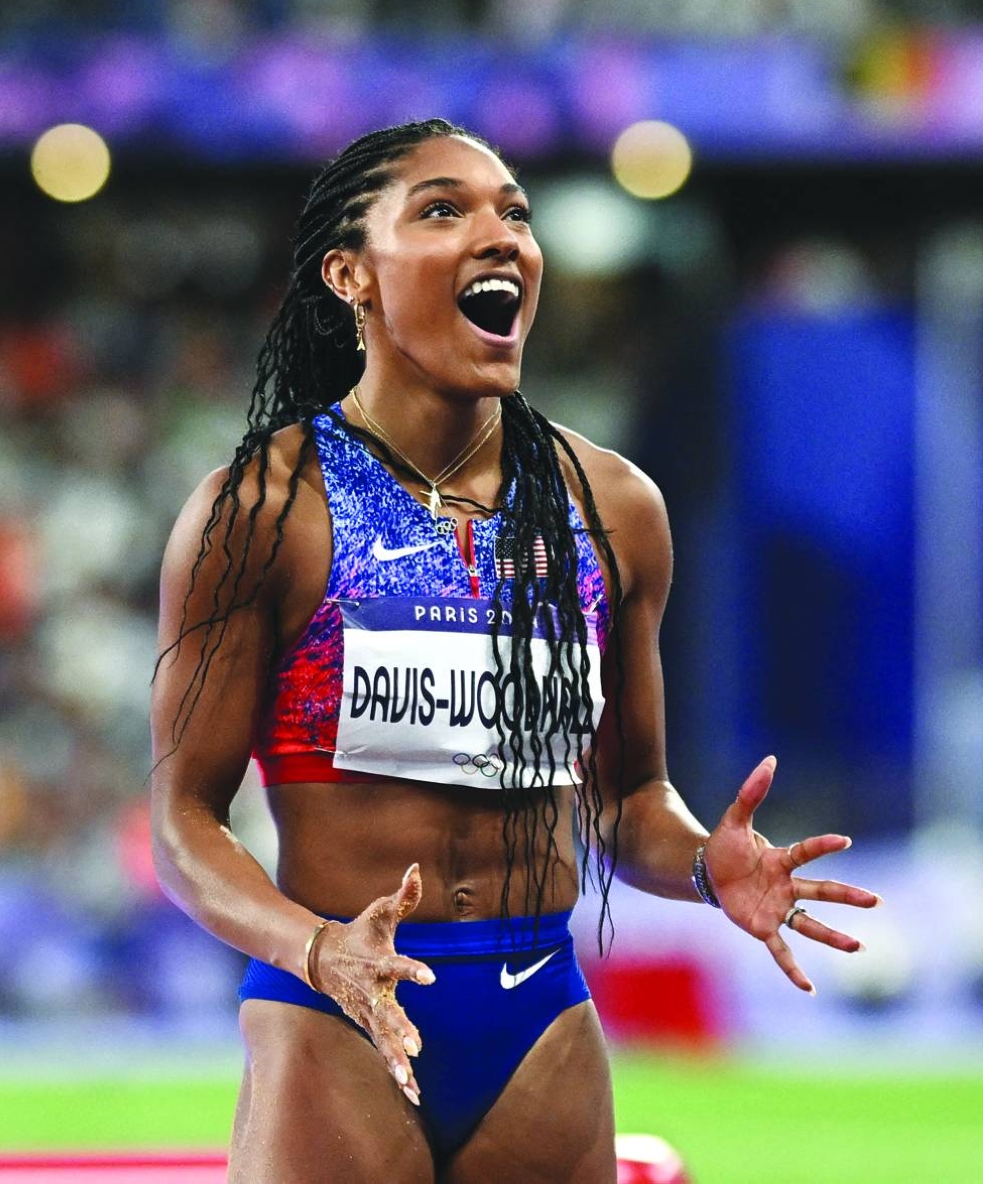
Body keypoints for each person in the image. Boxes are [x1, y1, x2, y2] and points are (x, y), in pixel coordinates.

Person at [150, 119, 880, 1183]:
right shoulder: (267, 511)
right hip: (340, 1007)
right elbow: (181, 817)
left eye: (515, 214)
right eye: (443, 209)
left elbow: (627, 797)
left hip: (539, 1016)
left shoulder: (614, 509)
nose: (498, 235)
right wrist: (313, 949)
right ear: (349, 273)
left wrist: (699, 863)